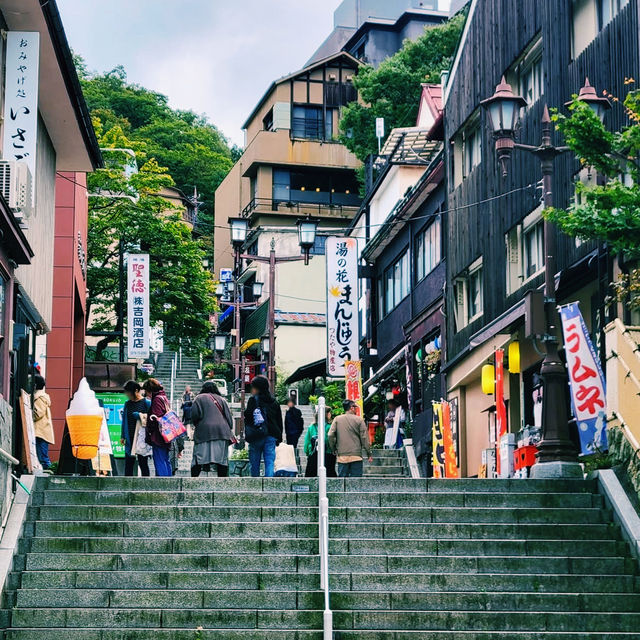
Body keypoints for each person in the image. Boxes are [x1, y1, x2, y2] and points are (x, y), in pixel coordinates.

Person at [190, 381, 234, 477]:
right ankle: (222, 482)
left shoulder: (198, 398)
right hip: (222, 432)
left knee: (199, 457)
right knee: (221, 460)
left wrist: (198, 425)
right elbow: (229, 419)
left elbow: (194, 415)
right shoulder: (222, 400)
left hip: (204, 432)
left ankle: (192, 481)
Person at [244, 375, 283, 477]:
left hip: (256, 435)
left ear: (257, 388)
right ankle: (269, 484)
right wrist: (279, 437)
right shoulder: (274, 402)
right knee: (269, 461)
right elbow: (279, 420)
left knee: (254, 463)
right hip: (271, 435)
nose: (251, 389)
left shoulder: (253, 400)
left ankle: (256, 485)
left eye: (253, 387)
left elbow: (247, 417)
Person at [328, 399, 372, 478]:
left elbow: (330, 435)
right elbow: (364, 438)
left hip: (342, 457)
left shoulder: (337, 419)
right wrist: (369, 453)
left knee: (342, 482)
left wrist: (333, 448)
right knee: (356, 483)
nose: (356, 409)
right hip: (356, 456)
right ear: (352, 408)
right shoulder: (359, 420)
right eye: (356, 407)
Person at [120, 380, 152, 477]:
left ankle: (145, 486)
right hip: (129, 435)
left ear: (136, 391)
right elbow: (124, 420)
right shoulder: (127, 404)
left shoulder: (146, 403)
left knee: (143, 463)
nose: (127, 395)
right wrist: (122, 436)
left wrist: (140, 416)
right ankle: (127, 486)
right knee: (128, 463)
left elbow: (151, 419)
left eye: (129, 393)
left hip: (141, 437)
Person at [143, 378, 172, 477]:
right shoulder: (164, 397)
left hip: (159, 435)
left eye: (146, 392)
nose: (146, 395)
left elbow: (156, 417)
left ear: (150, 390)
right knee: (165, 459)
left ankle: (164, 484)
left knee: (159, 460)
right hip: (167, 435)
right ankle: (169, 482)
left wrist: (150, 426)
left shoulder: (156, 399)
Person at [304, 406, 337, 477]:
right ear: (327, 414)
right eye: (329, 413)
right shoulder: (330, 426)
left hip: (313, 453)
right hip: (328, 453)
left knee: (310, 474)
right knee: (330, 473)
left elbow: (307, 441)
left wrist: (307, 452)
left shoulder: (311, 427)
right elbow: (331, 438)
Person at [32, 375, 54, 470]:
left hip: (40, 432)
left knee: (43, 458)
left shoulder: (39, 397)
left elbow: (37, 414)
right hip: (42, 431)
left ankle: (49, 477)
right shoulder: (41, 396)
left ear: (35, 385)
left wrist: (28, 413)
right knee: (42, 457)